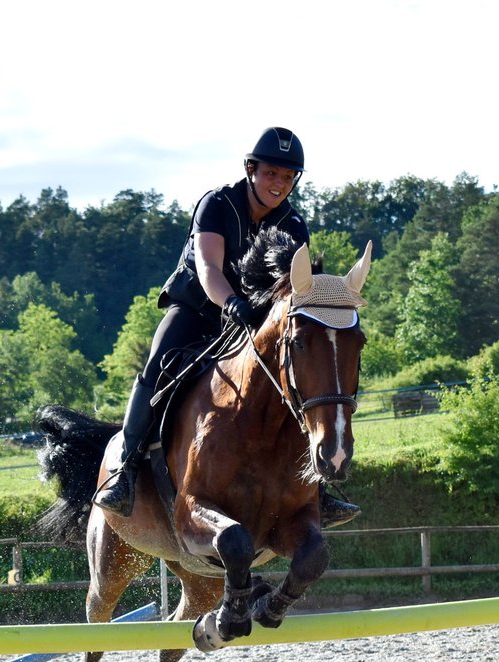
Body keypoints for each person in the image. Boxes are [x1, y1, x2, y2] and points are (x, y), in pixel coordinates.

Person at [93, 126, 361, 528]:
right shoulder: (217, 204)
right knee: (156, 367)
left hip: (255, 322)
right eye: (271, 173)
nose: (279, 184)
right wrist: (231, 302)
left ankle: (315, 487)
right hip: (199, 308)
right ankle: (125, 472)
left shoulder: (294, 224)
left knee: (292, 380)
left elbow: (295, 289)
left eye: (287, 178)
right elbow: (207, 268)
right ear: (251, 170)